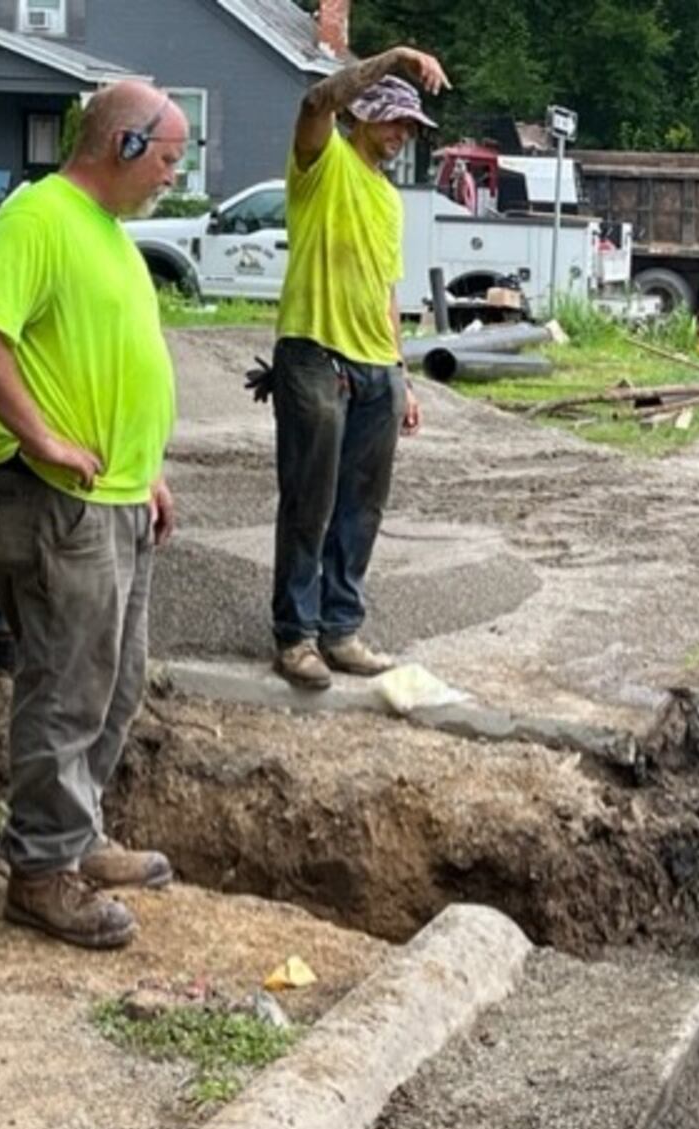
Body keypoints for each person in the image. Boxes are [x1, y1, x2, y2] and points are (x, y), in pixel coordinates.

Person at [0, 81, 187, 949]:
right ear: (122, 146)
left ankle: (76, 839)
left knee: (114, 684)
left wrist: (143, 470)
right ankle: (42, 872)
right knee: (65, 687)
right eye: (166, 158)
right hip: (54, 503)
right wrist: (41, 437)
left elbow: (106, 358)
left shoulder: (109, 236)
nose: (172, 176)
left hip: (116, 498)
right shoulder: (40, 218)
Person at [268, 46, 449, 690]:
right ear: (364, 117)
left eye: (411, 127)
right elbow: (315, 101)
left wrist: (402, 375)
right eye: (395, 121)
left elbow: (386, 290)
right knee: (309, 501)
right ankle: (296, 637)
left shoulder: (388, 199)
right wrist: (394, 59)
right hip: (315, 352)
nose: (403, 135)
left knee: (361, 509)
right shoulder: (322, 163)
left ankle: (340, 630)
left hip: (377, 365)